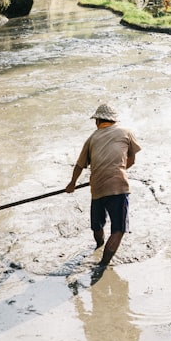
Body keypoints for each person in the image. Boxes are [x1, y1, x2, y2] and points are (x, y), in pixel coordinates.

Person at [66, 103, 141, 272]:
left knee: (97, 225)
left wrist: (72, 184)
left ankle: (99, 244)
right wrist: (118, 170)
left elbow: (79, 166)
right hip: (118, 187)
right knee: (119, 229)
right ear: (113, 120)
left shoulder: (92, 138)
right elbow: (132, 160)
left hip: (97, 188)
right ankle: (102, 265)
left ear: (98, 121)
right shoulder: (126, 132)